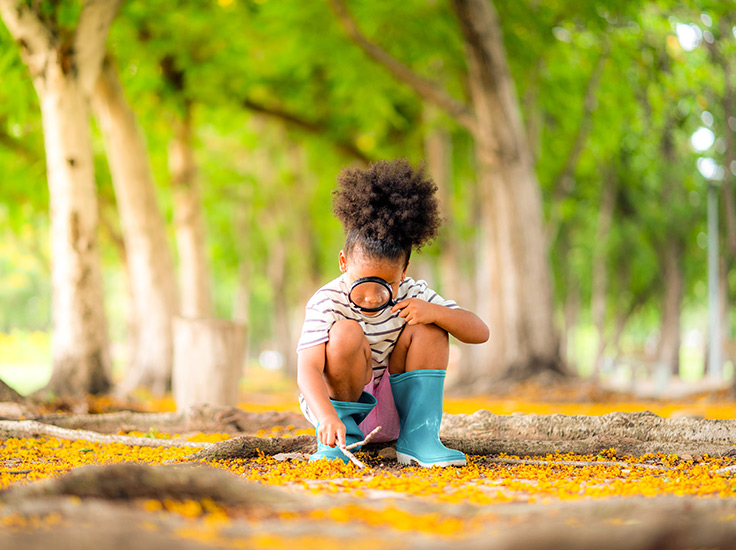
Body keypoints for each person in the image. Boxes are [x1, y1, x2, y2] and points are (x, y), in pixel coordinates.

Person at [297, 159, 489, 468]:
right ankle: (339, 442)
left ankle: (419, 439)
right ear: (344, 263)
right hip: (337, 411)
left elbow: (480, 333)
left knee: (432, 325)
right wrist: (327, 418)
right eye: (362, 282)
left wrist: (434, 312)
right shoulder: (327, 301)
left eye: (387, 283)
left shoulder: (414, 292)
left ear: (404, 271)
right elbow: (307, 368)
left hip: (395, 409)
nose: (373, 296)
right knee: (345, 332)